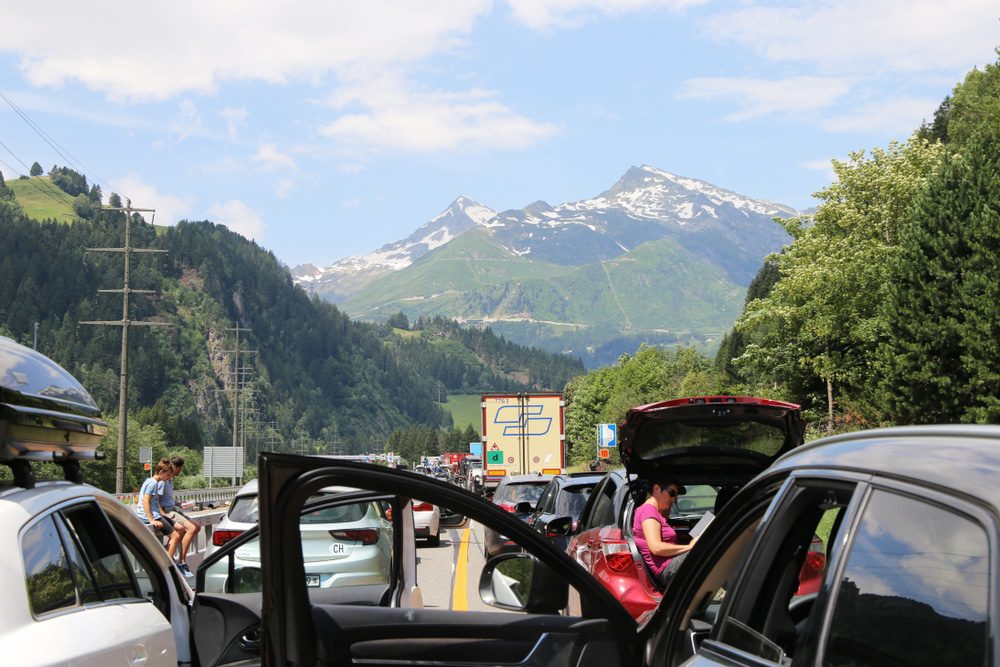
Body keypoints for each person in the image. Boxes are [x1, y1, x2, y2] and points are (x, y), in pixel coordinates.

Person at [633, 478, 696, 589]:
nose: (674, 498)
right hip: (668, 569)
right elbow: (656, 547)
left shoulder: (654, 512)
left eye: (676, 495)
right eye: (672, 493)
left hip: (671, 566)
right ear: (656, 488)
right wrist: (689, 547)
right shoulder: (648, 510)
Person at [136, 461, 188, 571]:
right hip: (151, 516)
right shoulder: (153, 483)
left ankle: (166, 554)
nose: (169, 477)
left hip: (156, 514)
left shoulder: (150, 480)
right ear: (161, 472)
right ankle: (167, 567)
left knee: (181, 528)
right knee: (175, 536)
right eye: (168, 475)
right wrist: (151, 519)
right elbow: (146, 500)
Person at [158, 456, 200, 578]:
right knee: (190, 529)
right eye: (180, 468)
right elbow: (157, 499)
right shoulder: (164, 480)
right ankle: (181, 562)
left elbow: (167, 498)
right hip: (167, 511)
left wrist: (178, 503)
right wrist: (164, 515)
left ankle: (172, 553)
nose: (180, 471)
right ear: (177, 468)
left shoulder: (170, 480)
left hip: (173, 508)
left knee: (196, 527)